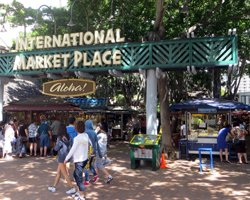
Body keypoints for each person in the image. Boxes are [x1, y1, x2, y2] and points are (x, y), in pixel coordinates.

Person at [64, 120, 90, 200]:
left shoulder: (77, 138)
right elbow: (89, 144)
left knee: (78, 178)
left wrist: (66, 159)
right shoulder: (86, 135)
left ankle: (82, 196)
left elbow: (72, 150)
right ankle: (79, 193)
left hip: (79, 161)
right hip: (84, 159)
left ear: (76, 128)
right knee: (76, 175)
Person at [48, 124, 76, 194]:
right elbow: (71, 145)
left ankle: (72, 188)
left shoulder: (60, 138)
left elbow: (57, 147)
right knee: (58, 173)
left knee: (65, 174)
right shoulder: (69, 136)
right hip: (67, 156)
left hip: (61, 157)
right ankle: (54, 187)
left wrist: (52, 150)